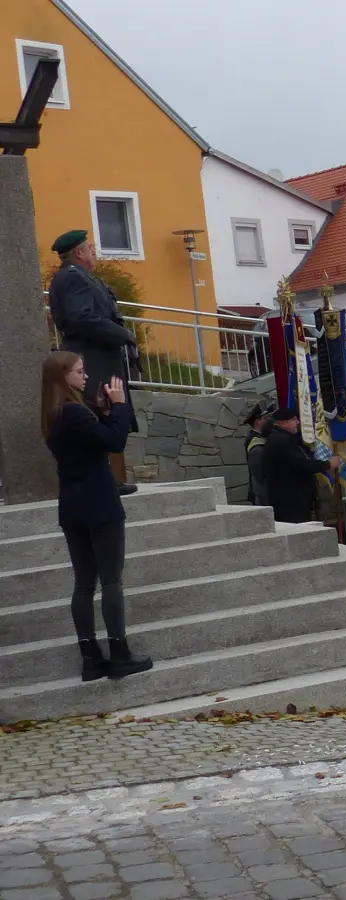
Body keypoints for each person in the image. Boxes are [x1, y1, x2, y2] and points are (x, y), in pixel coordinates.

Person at [40, 350, 152, 681]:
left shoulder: (53, 413)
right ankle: (119, 654)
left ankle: (90, 658)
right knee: (111, 580)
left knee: (83, 583)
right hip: (99, 504)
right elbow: (114, 442)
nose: (85, 376)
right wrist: (119, 406)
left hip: (72, 505)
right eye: (79, 371)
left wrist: (101, 411)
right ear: (63, 377)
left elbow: (91, 443)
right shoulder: (74, 412)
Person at [47, 230, 140, 496]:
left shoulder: (80, 276)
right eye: (90, 248)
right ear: (79, 252)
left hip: (98, 356)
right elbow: (82, 319)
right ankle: (108, 480)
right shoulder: (72, 278)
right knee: (99, 411)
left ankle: (112, 479)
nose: (93, 252)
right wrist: (122, 334)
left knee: (105, 412)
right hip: (92, 358)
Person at [262, 407, 339, 524]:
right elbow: (302, 464)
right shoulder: (281, 441)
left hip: (289, 499)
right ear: (283, 423)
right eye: (293, 419)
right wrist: (328, 464)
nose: (297, 422)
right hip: (290, 501)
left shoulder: (279, 438)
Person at [243, 403, 272, 508]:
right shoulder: (255, 442)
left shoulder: (259, 437)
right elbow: (258, 474)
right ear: (257, 422)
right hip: (261, 493)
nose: (267, 421)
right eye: (264, 419)